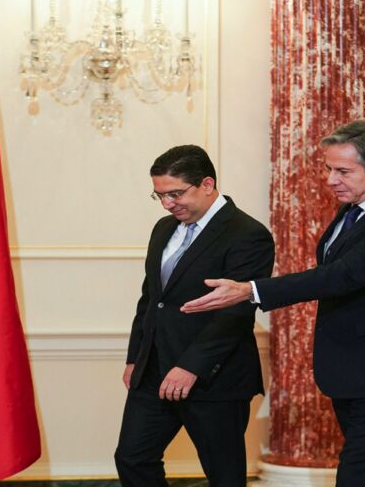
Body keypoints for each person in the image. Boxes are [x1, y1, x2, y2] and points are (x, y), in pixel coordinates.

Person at [181, 121, 365, 487]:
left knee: (361, 473)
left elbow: (344, 276)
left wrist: (251, 289)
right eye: (328, 168)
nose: (331, 179)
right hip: (354, 367)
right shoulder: (356, 208)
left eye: (343, 170)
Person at [115, 145, 275, 487]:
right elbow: (151, 300)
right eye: (159, 196)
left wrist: (191, 367)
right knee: (132, 458)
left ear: (206, 183)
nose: (167, 204)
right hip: (153, 371)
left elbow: (236, 312)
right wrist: (135, 357)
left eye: (175, 193)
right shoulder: (162, 229)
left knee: (224, 475)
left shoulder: (248, 233)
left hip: (214, 378)